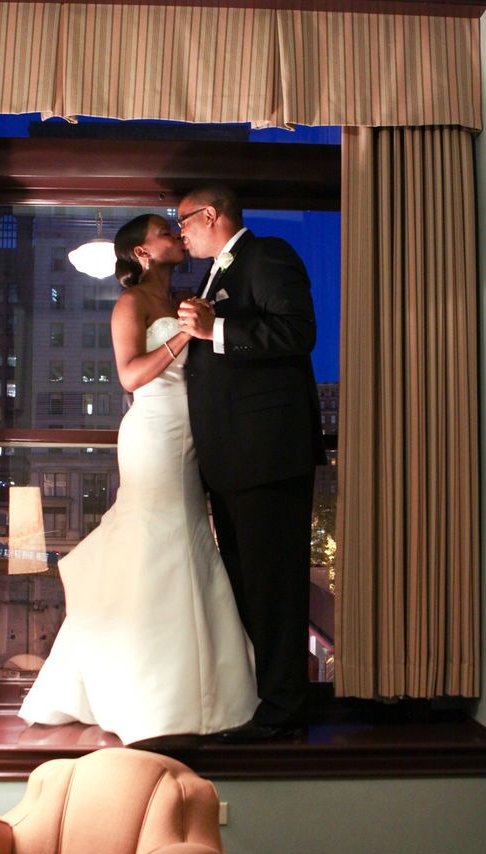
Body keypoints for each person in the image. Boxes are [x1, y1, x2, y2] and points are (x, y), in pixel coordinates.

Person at [19, 213, 257, 745]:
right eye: (164, 232)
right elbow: (129, 375)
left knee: (187, 538)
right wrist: (183, 337)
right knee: (158, 540)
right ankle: (150, 695)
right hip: (154, 432)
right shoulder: (132, 304)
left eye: (178, 229)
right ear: (142, 253)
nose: (176, 236)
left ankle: (191, 684)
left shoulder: (186, 298)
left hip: (193, 430)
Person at [177, 184, 326, 742]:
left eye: (185, 222)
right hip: (234, 458)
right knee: (248, 584)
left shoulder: (268, 255)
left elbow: (298, 331)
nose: (182, 232)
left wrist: (214, 328)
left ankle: (285, 712)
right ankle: (266, 699)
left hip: (268, 455)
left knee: (275, 586)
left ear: (210, 216)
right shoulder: (214, 273)